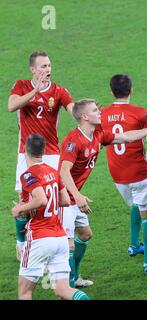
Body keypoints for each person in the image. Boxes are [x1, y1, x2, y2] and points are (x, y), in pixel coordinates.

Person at [60, 99, 147, 287]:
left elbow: (126, 137)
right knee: (69, 245)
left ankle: (74, 276)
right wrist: (77, 197)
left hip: (74, 196)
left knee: (85, 235)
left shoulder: (98, 135)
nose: (100, 112)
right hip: (62, 197)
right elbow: (63, 171)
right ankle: (68, 288)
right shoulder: (73, 140)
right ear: (85, 116)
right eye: (95, 110)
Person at [8, 51, 74, 260]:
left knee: (53, 197)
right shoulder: (21, 86)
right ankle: (21, 242)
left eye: (49, 65)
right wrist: (34, 91)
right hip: (26, 154)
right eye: (43, 66)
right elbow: (11, 106)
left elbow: (73, 110)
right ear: (33, 69)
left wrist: (83, 115)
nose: (48, 70)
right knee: (24, 199)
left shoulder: (59, 91)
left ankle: (52, 237)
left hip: (51, 153)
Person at [11, 134, 90, 300]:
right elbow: (66, 200)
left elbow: (41, 199)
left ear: (25, 150)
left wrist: (20, 208)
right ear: (43, 151)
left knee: (25, 292)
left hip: (39, 238)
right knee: (63, 290)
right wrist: (47, 206)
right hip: (59, 238)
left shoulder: (27, 175)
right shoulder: (53, 172)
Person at [101, 74, 147, 274]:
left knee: (135, 203)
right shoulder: (140, 113)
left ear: (111, 92)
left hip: (117, 174)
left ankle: (134, 245)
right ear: (131, 90)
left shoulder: (102, 114)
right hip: (139, 172)